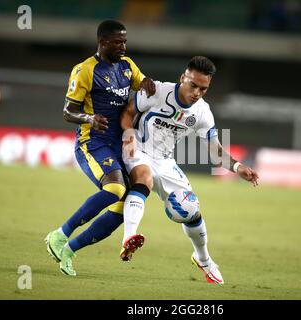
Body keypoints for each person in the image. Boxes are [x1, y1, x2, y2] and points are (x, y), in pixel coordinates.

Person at [120, 56, 259, 285]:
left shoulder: (203, 112)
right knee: (143, 178)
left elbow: (216, 152)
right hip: (138, 150)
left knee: (191, 209)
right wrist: (128, 137)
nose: (197, 92)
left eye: (203, 89)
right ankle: (129, 237)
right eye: (193, 85)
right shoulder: (157, 91)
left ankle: (203, 258)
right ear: (182, 78)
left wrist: (237, 166)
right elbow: (127, 112)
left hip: (166, 162)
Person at [45, 20, 155, 276]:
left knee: (126, 204)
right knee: (116, 188)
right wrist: (90, 118)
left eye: (125, 41)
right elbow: (68, 111)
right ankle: (60, 234)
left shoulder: (128, 67)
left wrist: (150, 84)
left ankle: (69, 250)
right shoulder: (84, 70)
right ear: (103, 42)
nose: (123, 46)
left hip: (119, 145)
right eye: (118, 41)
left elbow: (143, 85)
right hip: (91, 143)